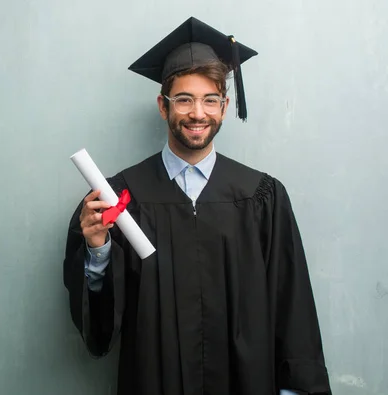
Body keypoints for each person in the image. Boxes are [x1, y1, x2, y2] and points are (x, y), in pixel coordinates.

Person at [63, 16, 332, 395]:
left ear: (224, 107)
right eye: (184, 99)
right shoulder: (121, 199)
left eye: (210, 100)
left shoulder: (262, 197)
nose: (197, 113)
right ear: (163, 105)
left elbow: (292, 306)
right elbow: (102, 327)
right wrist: (98, 251)